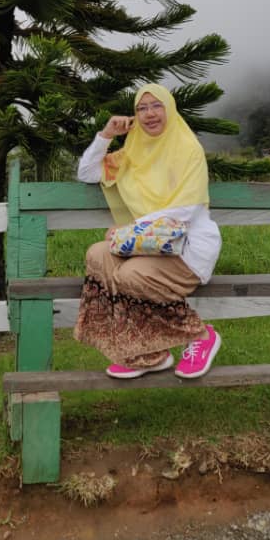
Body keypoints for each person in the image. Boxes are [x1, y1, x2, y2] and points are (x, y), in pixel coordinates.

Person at [73, 83, 222, 379]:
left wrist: (129, 229)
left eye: (156, 106)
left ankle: (201, 336)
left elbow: (186, 210)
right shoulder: (132, 153)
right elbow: (87, 173)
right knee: (98, 255)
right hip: (144, 245)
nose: (149, 114)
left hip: (186, 247)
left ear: (170, 109)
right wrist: (106, 135)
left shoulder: (188, 149)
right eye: (142, 108)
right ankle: (148, 354)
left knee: (131, 275)